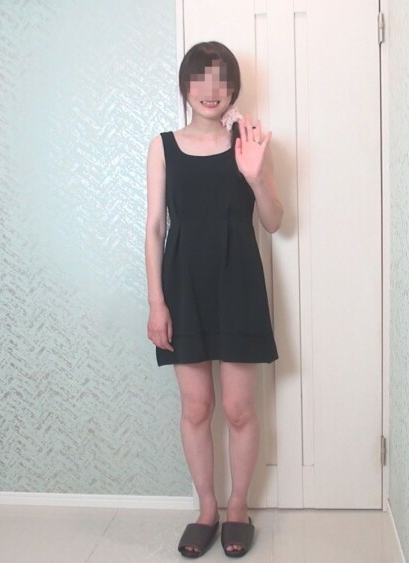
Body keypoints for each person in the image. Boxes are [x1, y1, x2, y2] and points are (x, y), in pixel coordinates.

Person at [144, 41, 282, 558]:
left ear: (233, 88)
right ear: (185, 86)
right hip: (183, 287)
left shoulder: (250, 141)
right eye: (199, 78)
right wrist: (157, 303)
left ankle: (238, 508)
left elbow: (274, 221)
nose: (210, 90)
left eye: (220, 79)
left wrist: (255, 175)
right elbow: (154, 228)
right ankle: (206, 510)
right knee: (197, 407)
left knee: (240, 409)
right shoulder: (163, 146)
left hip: (238, 282)